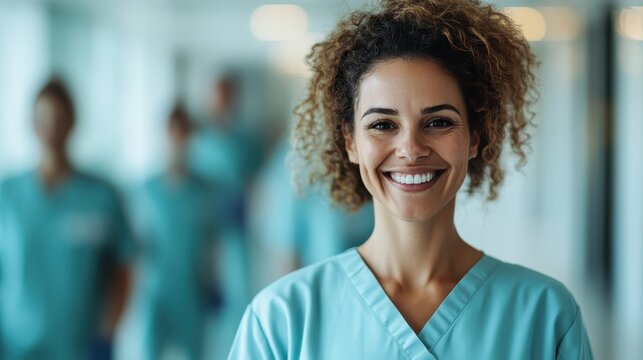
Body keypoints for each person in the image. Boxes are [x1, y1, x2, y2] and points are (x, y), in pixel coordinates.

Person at [228, 0, 594, 359]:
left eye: (438, 122)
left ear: (476, 136)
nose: (411, 148)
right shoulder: (281, 320)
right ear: (350, 142)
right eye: (383, 125)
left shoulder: (545, 318)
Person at [0, 78, 133, 359]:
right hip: (15, 345)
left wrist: (108, 334)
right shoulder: (7, 196)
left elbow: (123, 270)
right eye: (43, 119)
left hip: (80, 346)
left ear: (72, 123)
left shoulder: (101, 196)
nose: (51, 130)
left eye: (59, 119)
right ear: (32, 124)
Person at [122, 104, 225, 360]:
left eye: (184, 133)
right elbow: (133, 247)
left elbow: (213, 243)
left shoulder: (205, 192)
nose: (178, 140)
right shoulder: (146, 191)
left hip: (191, 292)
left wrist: (215, 282)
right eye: (173, 133)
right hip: (156, 293)